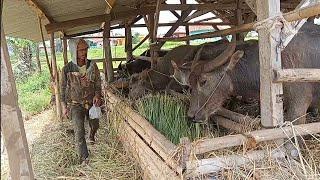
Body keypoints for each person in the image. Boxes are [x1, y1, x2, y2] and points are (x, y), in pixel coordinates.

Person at [61, 38, 102, 164]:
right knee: (79, 132)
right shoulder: (67, 69)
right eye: (81, 50)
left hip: (91, 103)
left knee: (95, 124)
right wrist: (64, 106)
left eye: (86, 49)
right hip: (75, 105)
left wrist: (97, 95)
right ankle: (84, 158)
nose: (84, 52)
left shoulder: (92, 66)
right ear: (74, 51)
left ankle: (92, 135)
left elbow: (98, 83)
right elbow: (62, 88)